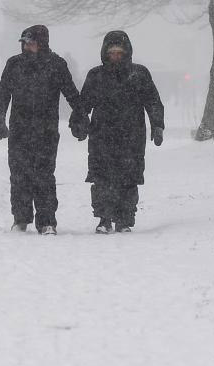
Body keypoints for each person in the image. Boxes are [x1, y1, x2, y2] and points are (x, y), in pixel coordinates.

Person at [71, 30, 165, 234]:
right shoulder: (96, 75)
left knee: (128, 178)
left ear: (126, 52)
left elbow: (153, 101)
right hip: (101, 135)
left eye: (119, 52)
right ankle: (104, 218)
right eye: (112, 52)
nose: (115, 56)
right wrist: (78, 123)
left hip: (132, 136)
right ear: (105, 53)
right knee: (101, 178)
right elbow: (83, 104)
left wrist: (157, 125)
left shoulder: (139, 74)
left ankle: (124, 219)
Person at [0, 24, 83, 235]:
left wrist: (80, 116)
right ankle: (20, 219)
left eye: (31, 43)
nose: (27, 47)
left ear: (42, 44)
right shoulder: (14, 65)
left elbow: (71, 93)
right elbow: (3, 95)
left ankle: (47, 221)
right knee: (19, 175)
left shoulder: (56, 65)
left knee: (44, 176)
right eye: (25, 43)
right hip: (19, 130)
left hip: (46, 131)